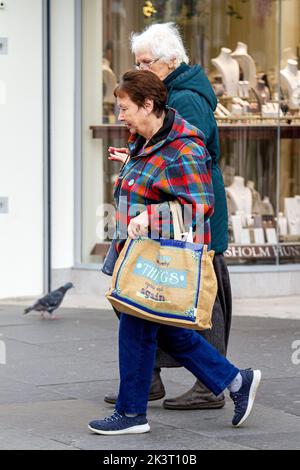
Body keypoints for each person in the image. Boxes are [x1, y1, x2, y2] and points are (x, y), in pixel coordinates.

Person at [88, 70, 261, 435]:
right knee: (165, 332)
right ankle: (235, 381)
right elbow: (162, 181)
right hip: (139, 253)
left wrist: (150, 214)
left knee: (135, 327)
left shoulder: (185, 147)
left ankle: (132, 414)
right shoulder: (149, 140)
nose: (120, 116)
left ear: (148, 105)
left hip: (157, 257)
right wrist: (131, 166)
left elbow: (199, 207)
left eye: (124, 108)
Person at [105, 22, 231, 411]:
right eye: (137, 61)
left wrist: (153, 184)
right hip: (156, 217)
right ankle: (149, 387)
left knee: (195, 299)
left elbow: (193, 159)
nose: (140, 68)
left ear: (170, 61)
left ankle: (217, 382)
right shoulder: (160, 94)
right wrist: (138, 162)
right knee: (141, 303)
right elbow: (163, 153)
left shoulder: (185, 100)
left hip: (178, 221)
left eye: (147, 61)